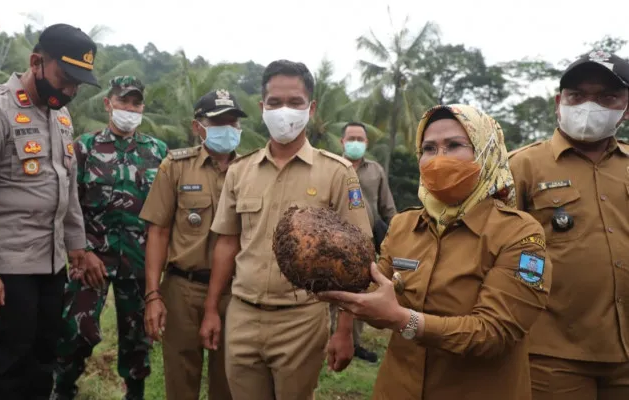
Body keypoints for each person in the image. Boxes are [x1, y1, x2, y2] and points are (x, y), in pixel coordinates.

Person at [318, 104, 553, 400]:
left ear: (486, 151)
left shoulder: (521, 234)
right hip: (397, 389)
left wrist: (404, 320)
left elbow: (495, 332)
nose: (439, 159)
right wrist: (336, 280)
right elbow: (378, 301)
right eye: (429, 148)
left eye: (454, 145)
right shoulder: (404, 225)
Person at [199, 60, 372, 400]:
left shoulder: (337, 173)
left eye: (295, 102)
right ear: (262, 108)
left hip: (302, 321)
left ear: (311, 108)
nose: (284, 111)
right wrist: (211, 310)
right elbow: (227, 243)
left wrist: (345, 329)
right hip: (243, 315)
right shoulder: (240, 171)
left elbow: (358, 257)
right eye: (275, 103)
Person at [0, 23, 100, 400]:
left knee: (42, 365)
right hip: (4, 274)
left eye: (77, 85)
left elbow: (66, 190)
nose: (69, 92)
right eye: (64, 79)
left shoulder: (60, 118)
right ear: (36, 62)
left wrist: (77, 245)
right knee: (9, 372)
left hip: (50, 269)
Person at [508, 50, 629, 400]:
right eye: (578, 96)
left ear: (626, 105)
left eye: (607, 97)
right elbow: (492, 250)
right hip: (553, 351)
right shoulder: (523, 167)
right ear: (559, 102)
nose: (590, 106)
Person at [52, 76, 168, 400]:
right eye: (123, 101)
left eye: (136, 103)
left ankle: (135, 393)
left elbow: (166, 212)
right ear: (108, 103)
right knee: (75, 332)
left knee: (138, 338)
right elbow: (67, 206)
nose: (129, 109)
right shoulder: (84, 147)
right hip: (91, 259)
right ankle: (63, 390)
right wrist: (82, 251)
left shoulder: (158, 152)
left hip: (139, 261)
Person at [139, 89, 247, 400]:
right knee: (180, 379)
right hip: (182, 289)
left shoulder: (251, 171)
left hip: (235, 291)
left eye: (232, 122)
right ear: (197, 127)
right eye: (217, 122)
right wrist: (152, 295)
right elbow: (157, 232)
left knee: (228, 381)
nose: (227, 129)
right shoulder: (175, 166)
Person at [338, 121, 398, 363]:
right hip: (336, 240)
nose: (355, 143)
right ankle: (329, 338)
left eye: (359, 139)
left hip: (365, 242)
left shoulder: (376, 171)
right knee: (331, 292)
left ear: (366, 143)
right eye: (350, 138)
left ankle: (354, 343)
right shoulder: (333, 168)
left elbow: (388, 208)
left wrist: (399, 235)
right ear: (342, 142)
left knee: (360, 291)